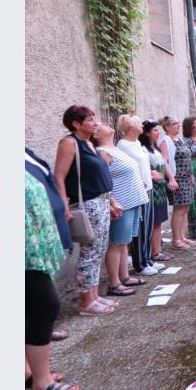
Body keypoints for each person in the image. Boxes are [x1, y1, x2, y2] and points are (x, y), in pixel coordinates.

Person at [54, 105, 119, 316]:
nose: (95, 123)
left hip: (101, 202)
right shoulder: (69, 143)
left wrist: (110, 201)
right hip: (87, 205)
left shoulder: (89, 144)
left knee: (98, 250)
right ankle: (86, 302)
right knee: (89, 253)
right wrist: (64, 205)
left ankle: (94, 295)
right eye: (90, 119)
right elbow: (59, 177)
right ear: (76, 123)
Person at [25, 172, 82, 390]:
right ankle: (42, 384)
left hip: (33, 249)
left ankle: (29, 371)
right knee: (45, 305)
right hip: (26, 254)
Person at [95, 121, 150, 296]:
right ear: (97, 134)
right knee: (116, 243)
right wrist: (112, 202)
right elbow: (104, 180)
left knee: (124, 242)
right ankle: (114, 283)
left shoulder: (115, 149)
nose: (104, 124)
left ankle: (124, 277)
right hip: (121, 203)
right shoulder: (102, 152)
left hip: (132, 200)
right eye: (99, 124)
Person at [116, 115, 162, 276]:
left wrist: (150, 173)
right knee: (140, 229)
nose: (142, 124)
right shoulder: (123, 145)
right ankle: (140, 264)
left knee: (148, 226)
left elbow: (141, 165)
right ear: (129, 127)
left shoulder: (137, 144)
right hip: (136, 190)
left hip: (147, 188)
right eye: (137, 122)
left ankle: (148, 259)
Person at [140, 120, 177, 261]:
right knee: (154, 221)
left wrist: (170, 179)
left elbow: (164, 164)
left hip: (160, 189)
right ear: (147, 133)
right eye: (155, 130)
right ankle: (154, 252)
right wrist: (151, 173)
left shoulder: (155, 149)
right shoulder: (143, 150)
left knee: (159, 220)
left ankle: (157, 249)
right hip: (153, 189)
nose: (158, 133)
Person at [168, 117, 196, 249]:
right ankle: (176, 239)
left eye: (178, 123)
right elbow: (165, 161)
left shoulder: (179, 140)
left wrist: (191, 175)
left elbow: (188, 158)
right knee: (179, 209)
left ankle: (183, 236)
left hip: (186, 178)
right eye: (175, 124)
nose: (178, 126)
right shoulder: (167, 141)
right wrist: (171, 179)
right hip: (177, 178)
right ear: (167, 127)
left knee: (185, 209)